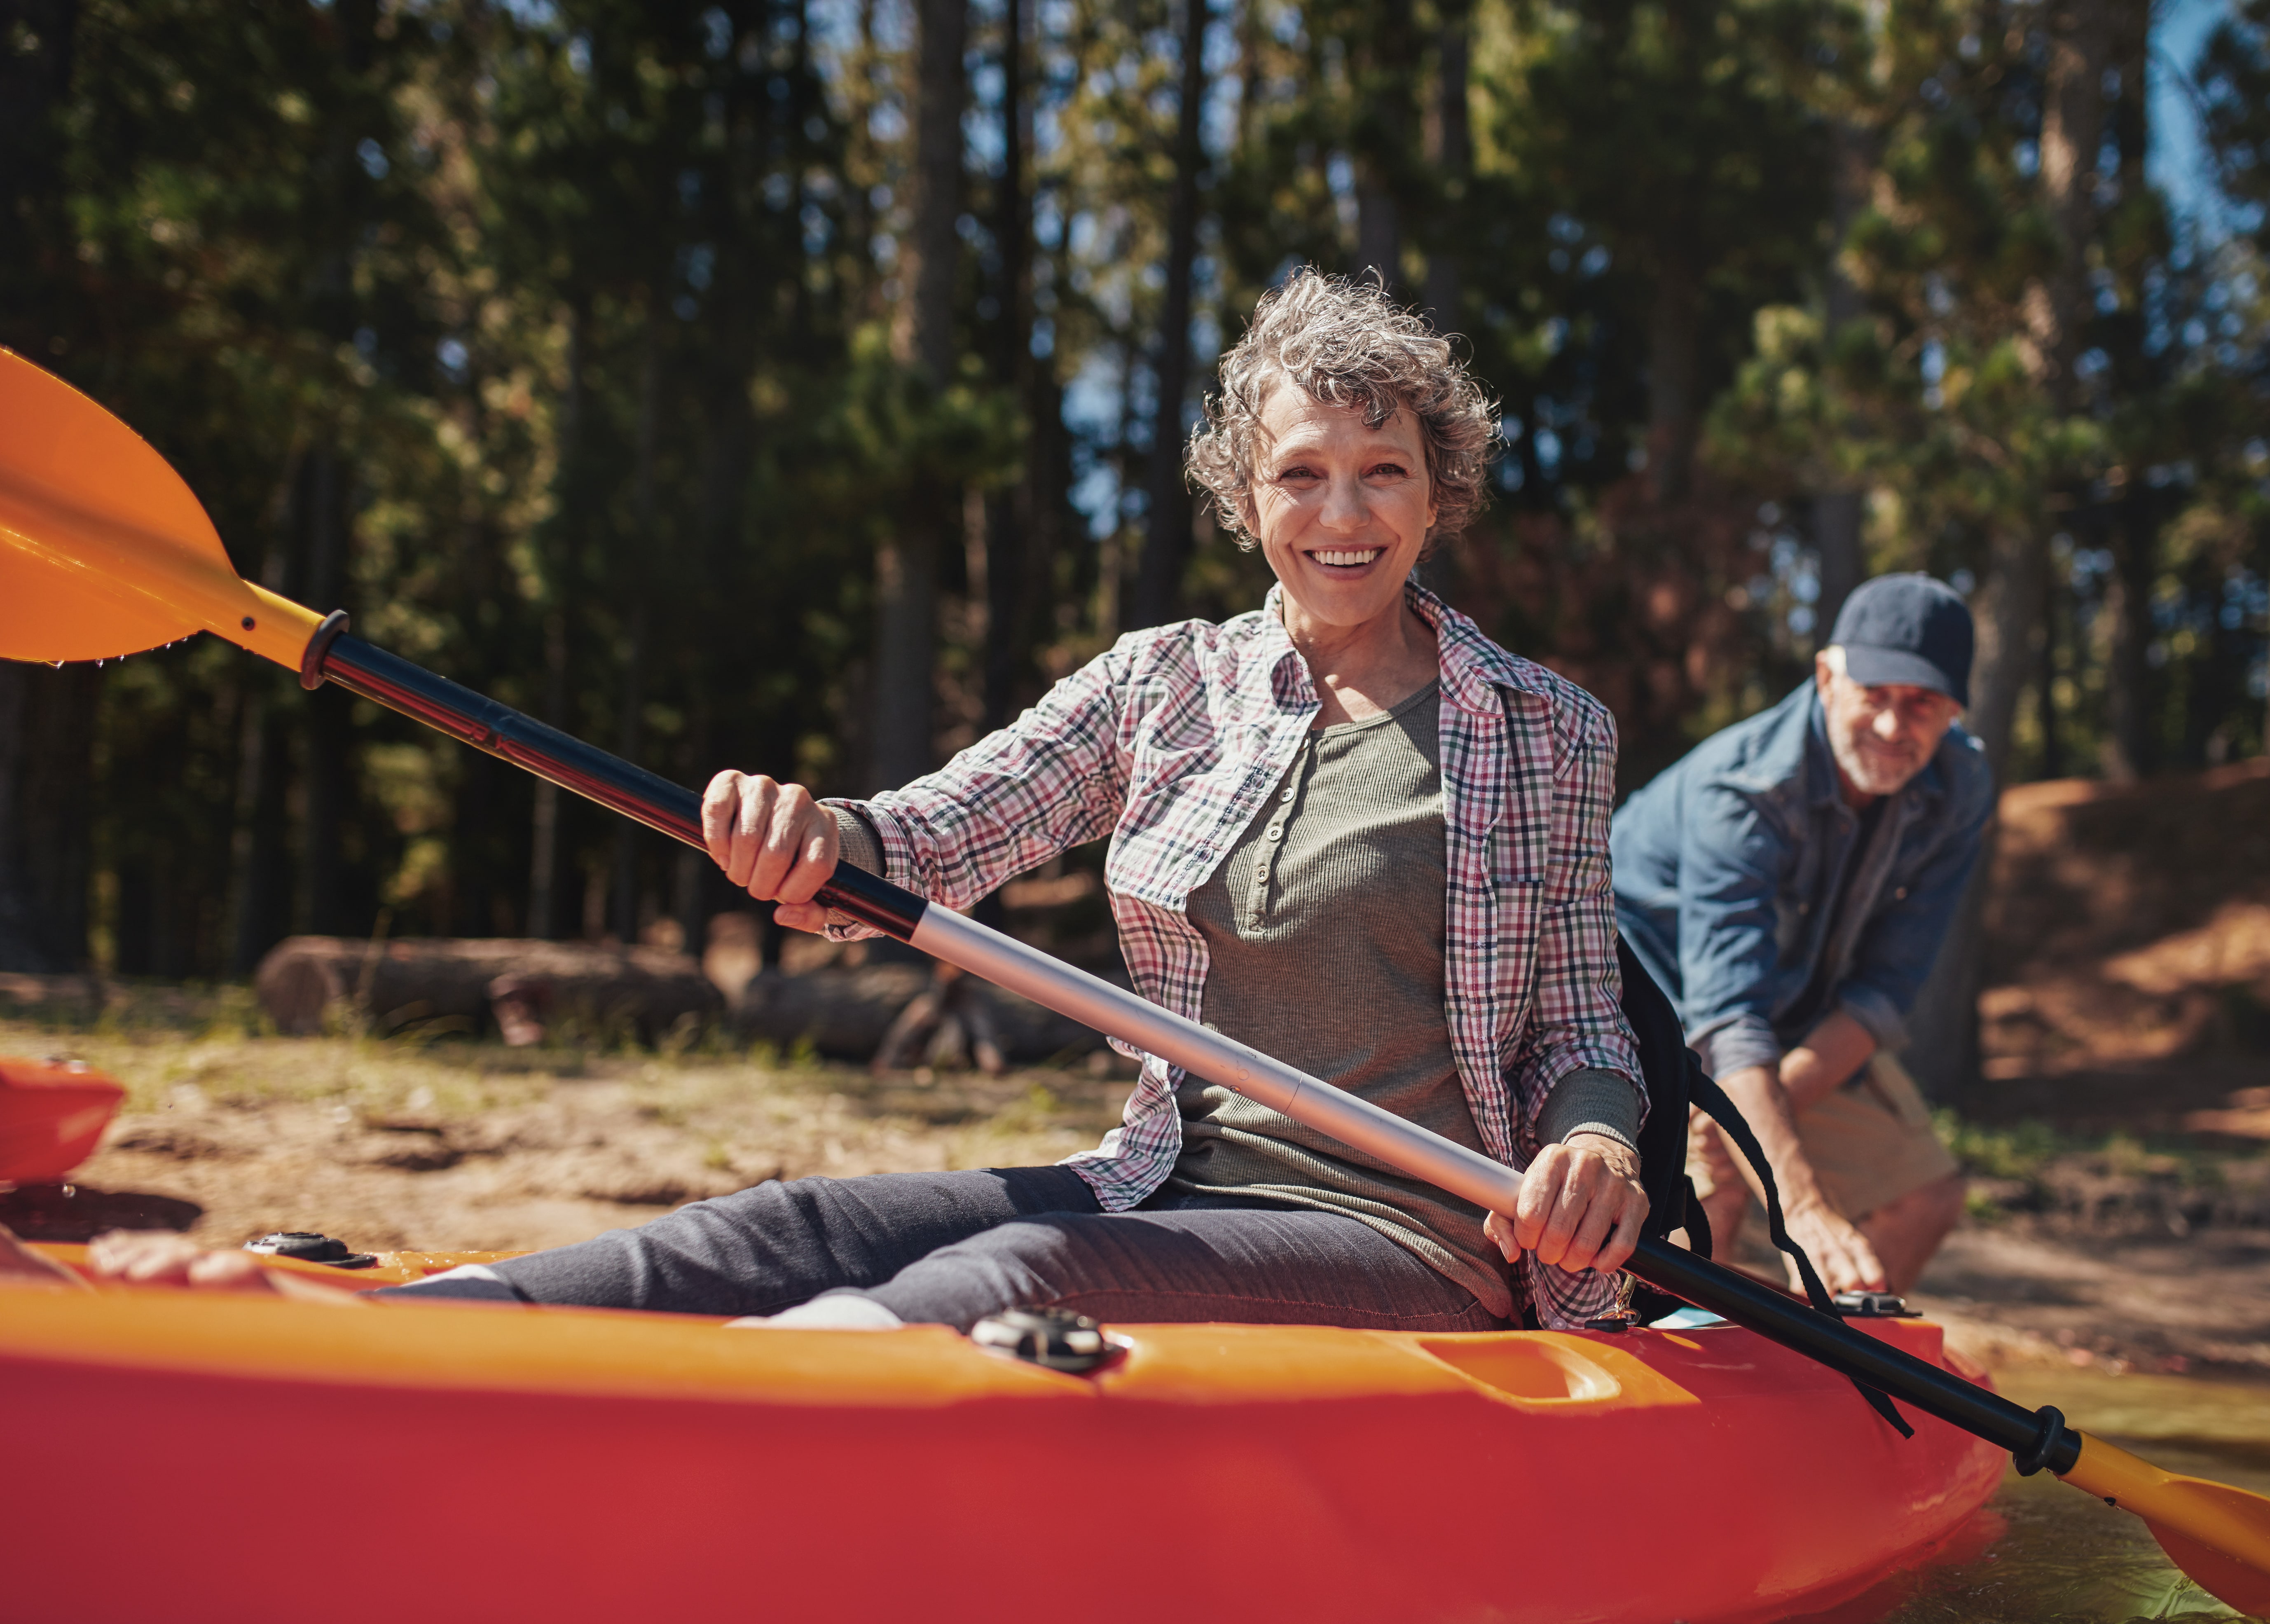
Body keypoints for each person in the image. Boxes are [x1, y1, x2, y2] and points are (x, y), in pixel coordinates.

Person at [90, 269, 1651, 1334]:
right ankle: (378, 1339)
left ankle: (730, 1445)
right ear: (1244, 503)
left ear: (1437, 490)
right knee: (784, 1227)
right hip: (1165, 1175)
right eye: (1300, 473)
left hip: (1414, 1235)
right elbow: (928, 836)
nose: (1340, 512)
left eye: (1381, 471)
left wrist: (1598, 1157)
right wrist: (815, 835)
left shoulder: (1539, 730)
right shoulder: (1163, 683)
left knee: (1020, 1267)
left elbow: (1582, 1034)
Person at [1611, 574, 1993, 1298]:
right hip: (1636, 1008)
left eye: (1922, 704)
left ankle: (1821, 1375)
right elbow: (1727, 1022)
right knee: (1703, 1212)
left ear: (1954, 713)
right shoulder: (1743, 792)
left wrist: (1740, 1129)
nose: (1892, 725)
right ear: (1826, 676)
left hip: (1782, 1023)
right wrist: (1802, 1206)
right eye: (1874, 694)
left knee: (1925, 1199)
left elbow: (1883, 993)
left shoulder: (1962, 786)